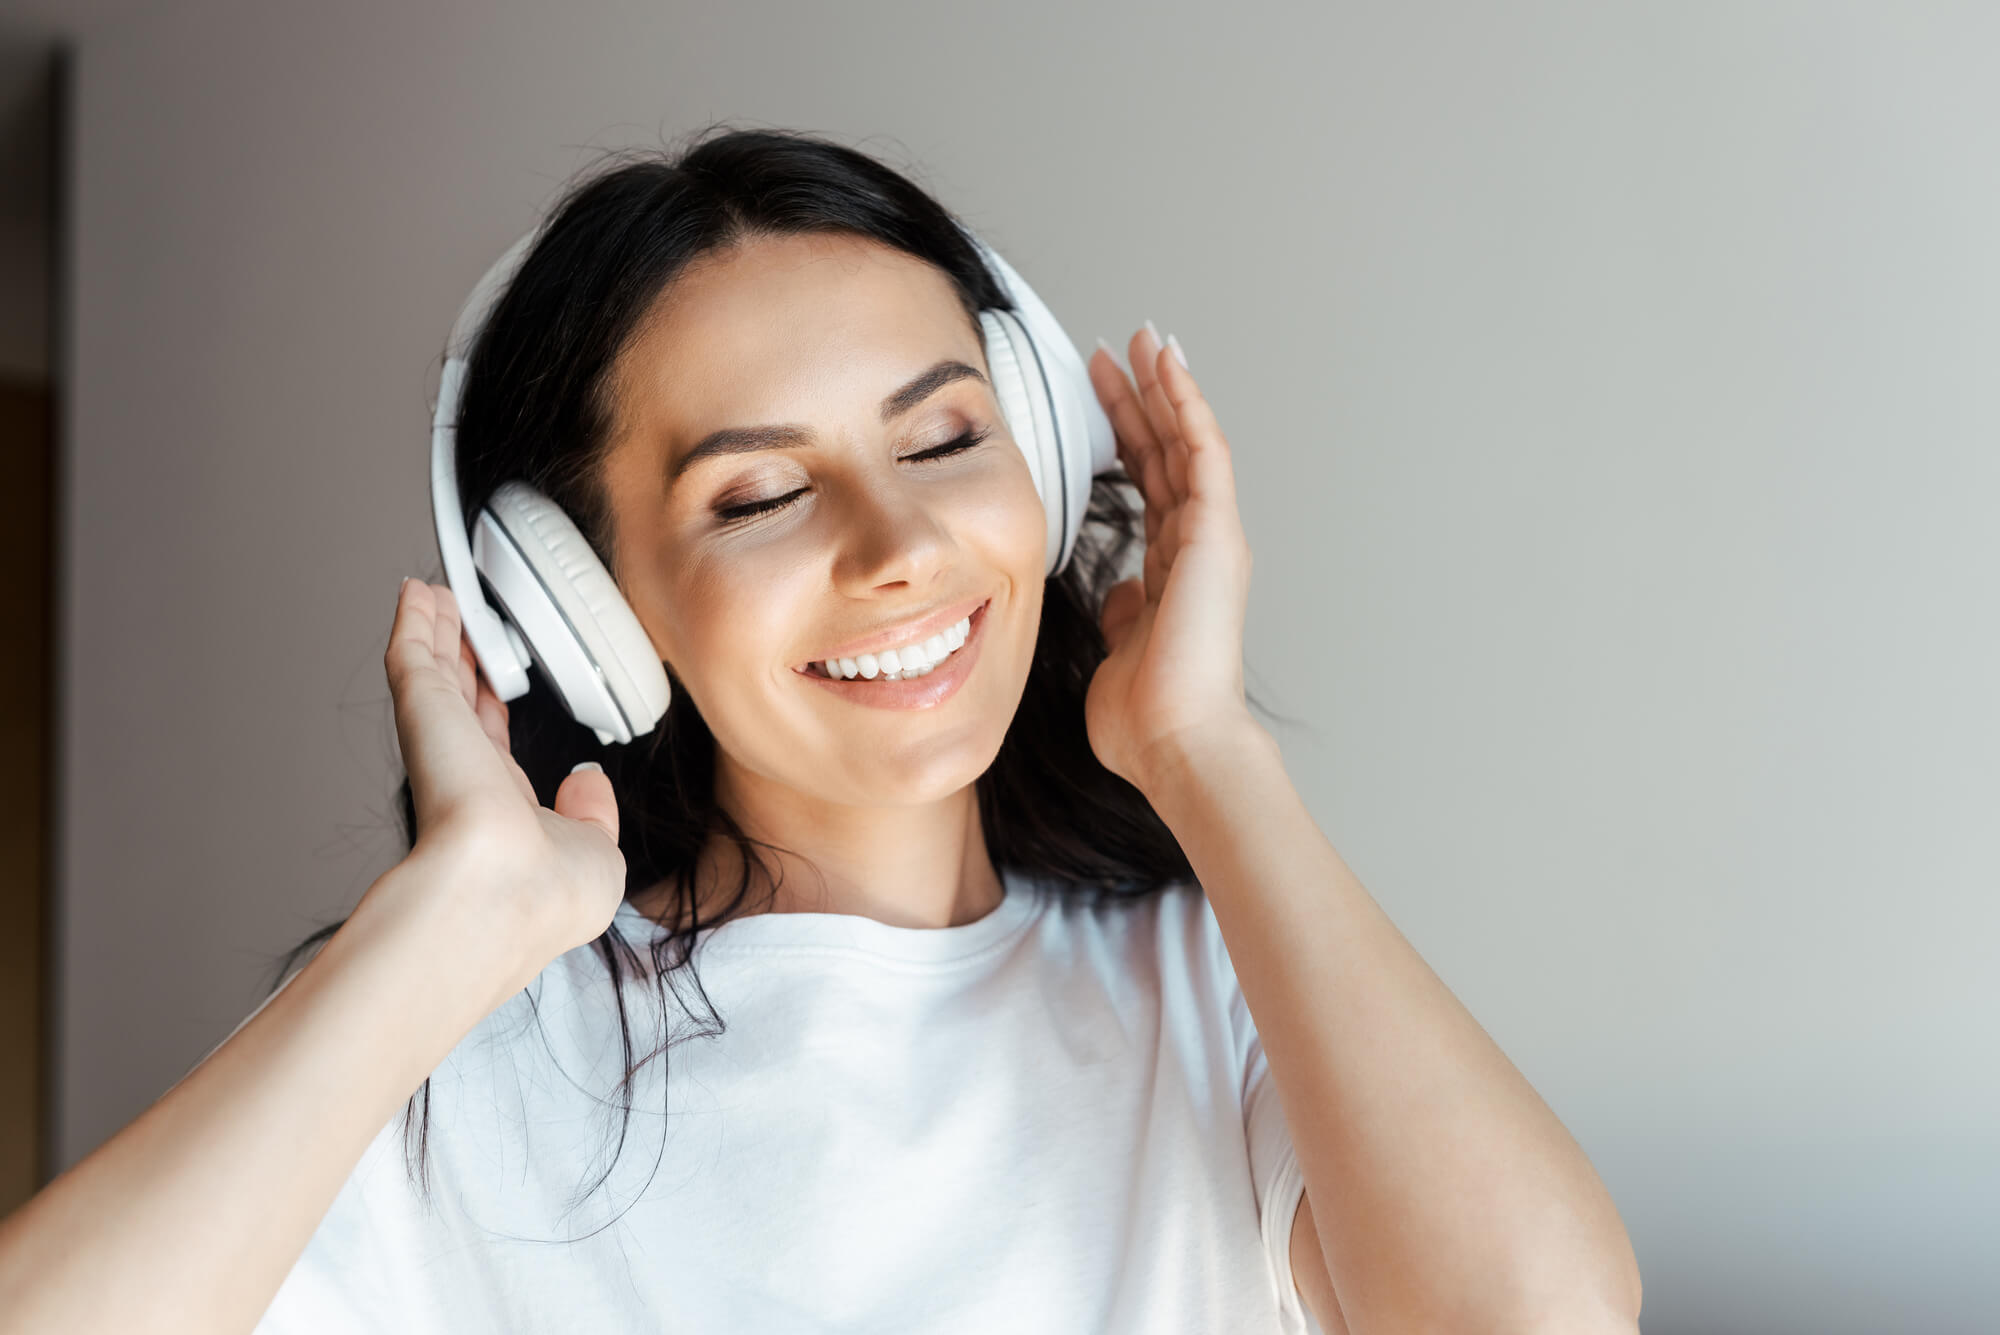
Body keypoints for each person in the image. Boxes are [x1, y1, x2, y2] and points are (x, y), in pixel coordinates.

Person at [0, 126, 1642, 1335]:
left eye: (941, 438)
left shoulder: (1225, 991)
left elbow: (1543, 1320)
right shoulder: (459, 1063)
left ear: (1048, 468)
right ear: (579, 605)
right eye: (762, 492)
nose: (898, 545)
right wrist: (446, 929)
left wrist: (1204, 752)